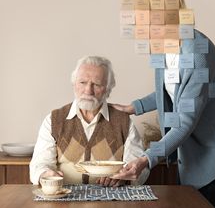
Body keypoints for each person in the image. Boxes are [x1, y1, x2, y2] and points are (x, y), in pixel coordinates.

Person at [113, 0, 215, 208]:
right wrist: (133, 107)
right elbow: (169, 91)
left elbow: (185, 120)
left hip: (208, 152)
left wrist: (145, 160)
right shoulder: (163, 49)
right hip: (185, 152)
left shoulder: (198, 55)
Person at [30, 56, 149, 187]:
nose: (88, 90)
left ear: (108, 89)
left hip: (113, 198)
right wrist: (45, 174)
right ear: (74, 84)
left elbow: (139, 168)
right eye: (82, 82)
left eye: (96, 84)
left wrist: (124, 178)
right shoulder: (54, 120)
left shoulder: (123, 122)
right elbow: (39, 164)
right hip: (65, 199)